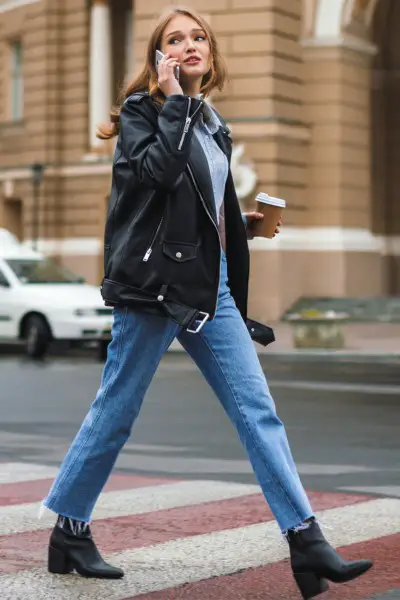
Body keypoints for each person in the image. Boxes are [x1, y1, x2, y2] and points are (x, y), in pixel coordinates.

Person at [41, 6, 372, 599]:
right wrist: (171, 100)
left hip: (208, 287)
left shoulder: (212, 121)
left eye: (198, 38)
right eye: (176, 39)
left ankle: (306, 541)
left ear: (211, 54)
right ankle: (69, 531)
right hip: (155, 291)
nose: (190, 45)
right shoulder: (147, 113)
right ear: (159, 56)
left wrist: (242, 222)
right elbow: (160, 174)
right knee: (117, 409)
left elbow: (195, 208)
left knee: (258, 411)